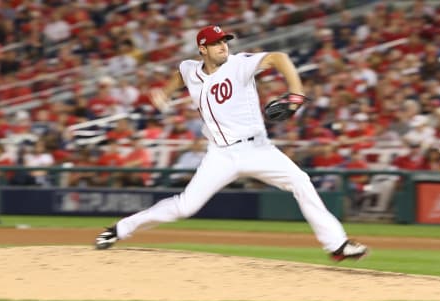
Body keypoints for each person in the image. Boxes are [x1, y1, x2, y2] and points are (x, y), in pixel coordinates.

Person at [95, 25, 368, 261]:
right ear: (202, 49)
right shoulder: (191, 69)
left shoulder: (239, 64)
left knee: (300, 181)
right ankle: (118, 230)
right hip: (220, 155)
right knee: (185, 206)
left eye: (224, 41)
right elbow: (181, 73)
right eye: (216, 43)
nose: (223, 46)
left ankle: (337, 245)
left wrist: (296, 92)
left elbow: (279, 58)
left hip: (257, 149)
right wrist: (165, 93)